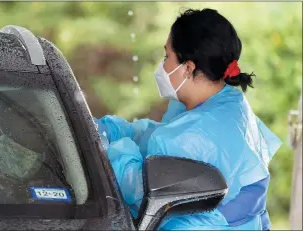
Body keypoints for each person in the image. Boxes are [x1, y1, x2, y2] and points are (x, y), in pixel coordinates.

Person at [94, 8, 282, 230]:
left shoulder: (193, 135)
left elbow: (135, 187)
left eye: (167, 57)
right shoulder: (228, 103)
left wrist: (109, 145)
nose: (162, 67)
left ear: (188, 68)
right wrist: (120, 130)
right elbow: (157, 134)